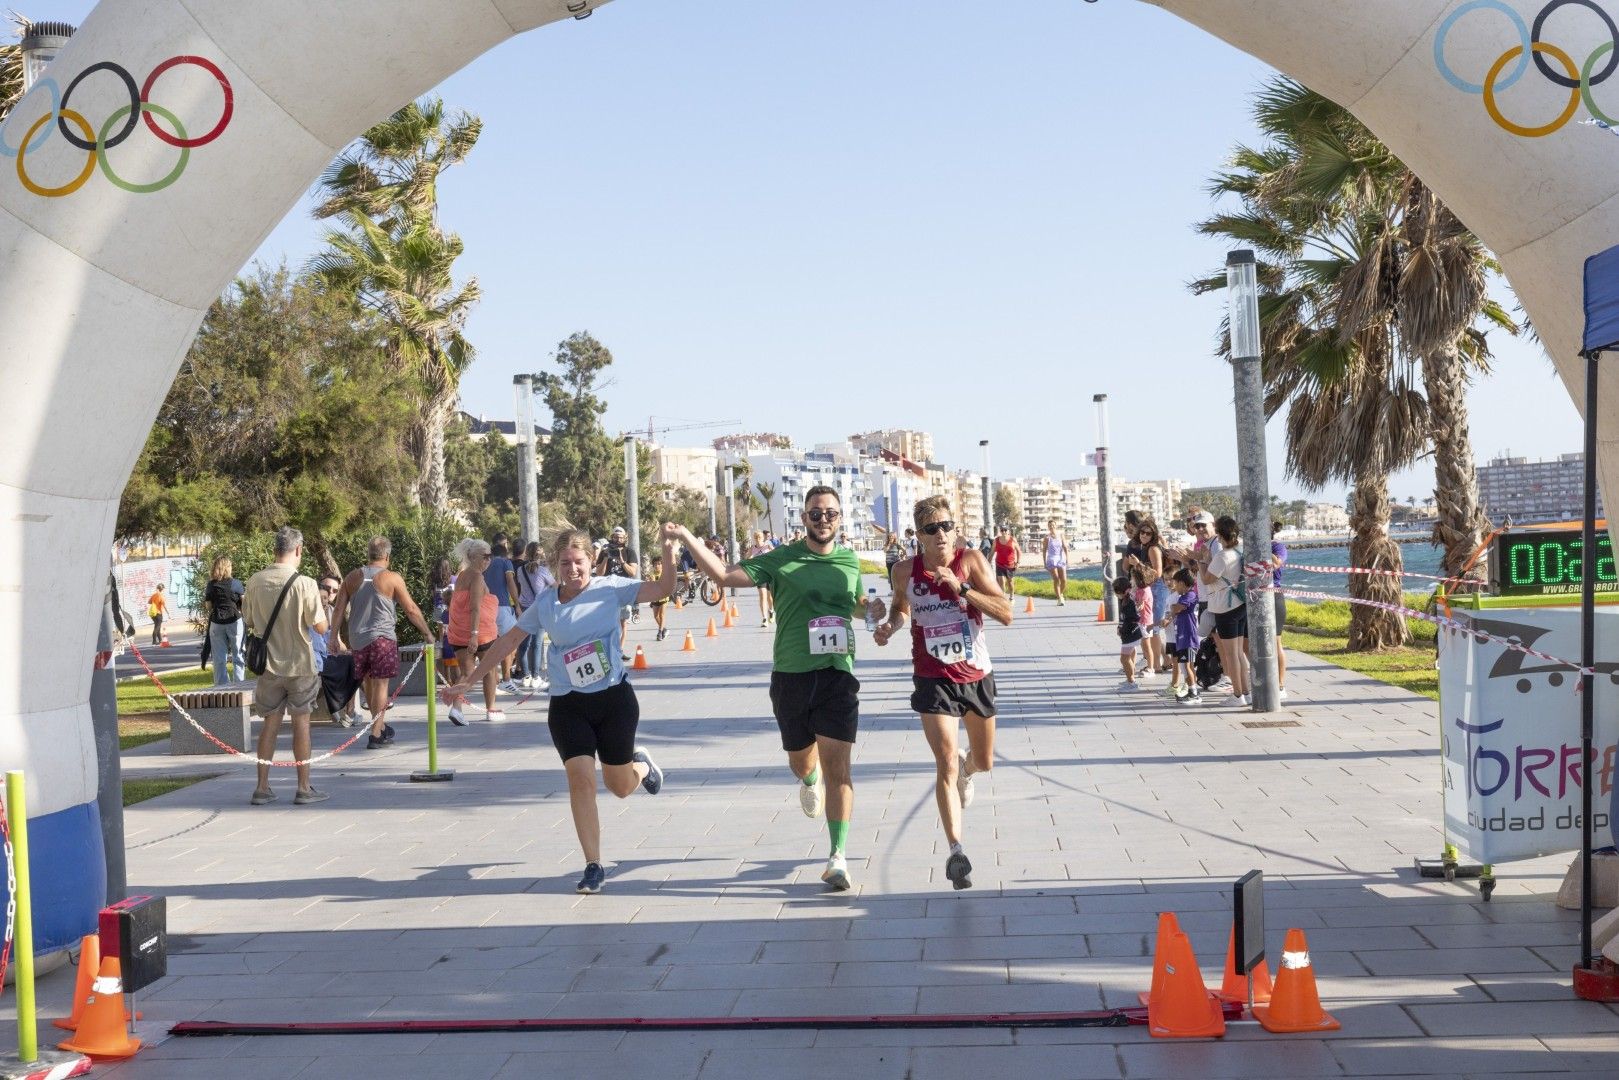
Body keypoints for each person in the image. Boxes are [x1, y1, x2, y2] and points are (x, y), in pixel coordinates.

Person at [443, 524, 678, 894]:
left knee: (619, 787)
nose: (573, 569)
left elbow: (664, 589)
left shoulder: (611, 590)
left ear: (592, 561)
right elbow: (510, 640)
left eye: (579, 561)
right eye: (565, 562)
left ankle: (641, 765)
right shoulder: (547, 602)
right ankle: (593, 865)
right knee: (580, 779)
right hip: (568, 705)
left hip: (614, 700)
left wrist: (668, 550)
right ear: (555, 565)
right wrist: (468, 682)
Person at [676, 486, 882, 891]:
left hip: (838, 674)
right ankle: (809, 780)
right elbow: (722, 576)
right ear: (804, 518)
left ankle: (837, 856)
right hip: (791, 675)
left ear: (841, 519)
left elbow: (854, 604)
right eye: (816, 514)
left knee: (840, 769)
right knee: (802, 764)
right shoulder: (780, 559)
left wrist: (869, 610)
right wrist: (688, 538)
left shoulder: (849, 560)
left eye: (831, 514)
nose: (824, 520)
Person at [873, 496, 1011, 890]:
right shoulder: (904, 571)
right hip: (932, 677)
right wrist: (889, 627)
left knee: (982, 761)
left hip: (976, 675)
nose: (942, 535)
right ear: (919, 536)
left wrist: (962, 589)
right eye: (932, 529)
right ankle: (956, 851)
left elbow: (1005, 612)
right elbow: (902, 608)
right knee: (946, 761)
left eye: (947, 526)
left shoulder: (971, 562)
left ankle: (971, 771)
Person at [243, 526, 329, 806]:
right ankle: (303, 786)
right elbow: (319, 625)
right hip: (300, 664)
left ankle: (262, 786)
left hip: (268, 664)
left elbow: (249, 621)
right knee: (301, 722)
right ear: (298, 550)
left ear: (274, 550)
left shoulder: (255, 581)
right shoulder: (305, 583)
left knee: (270, 723)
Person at [330, 536, 436, 750]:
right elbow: (411, 609)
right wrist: (427, 633)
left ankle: (378, 724)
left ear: (368, 554)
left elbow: (339, 609)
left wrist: (334, 637)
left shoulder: (352, 577)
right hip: (382, 638)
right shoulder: (392, 578)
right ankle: (376, 733)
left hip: (358, 639)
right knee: (381, 684)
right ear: (387, 556)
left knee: (369, 682)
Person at [446, 538, 501, 724]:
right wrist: (474, 635)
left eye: (490, 556)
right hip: (479, 633)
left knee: (466, 671)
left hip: (459, 632)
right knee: (489, 670)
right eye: (485, 556)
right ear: (473, 557)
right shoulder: (477, 576)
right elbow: (475, 607)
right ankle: (490, 709)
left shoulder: (462, 575)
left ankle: (457, 708)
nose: (488, 560)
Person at [1202, 515, 1251, 705]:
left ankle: (1237, 694)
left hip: (1224, 607)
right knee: (1239, 652)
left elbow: (1207, 579)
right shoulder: (1239, 550)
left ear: (1220, 535)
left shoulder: (1222, 556)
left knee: (1231, 654)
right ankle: (1245, 691)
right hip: (1239, 604)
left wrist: (1203, 561)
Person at [1127, 517, 1169, 677]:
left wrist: (1138, 564)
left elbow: (1157, 573)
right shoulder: (1147, 547)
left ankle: (1156, 665)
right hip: (1154, 588)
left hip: (1157, 589)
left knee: (1153, 629)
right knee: (1152, 628)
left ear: (1153, 535)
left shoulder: (1152, 549)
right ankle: (1163, 661)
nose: (1144, 535)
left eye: (1148, 533)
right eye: (1142, 532)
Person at [595, 526, 640, 659]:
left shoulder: (629, 552)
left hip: (624, 592)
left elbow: (632, 572)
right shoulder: (605, 552)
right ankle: (609, 650)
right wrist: (605, 558)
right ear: (612, 537)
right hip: (608, 592)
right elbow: (599, 573)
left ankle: (619, 651)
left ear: (625, 538)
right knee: (608, 623)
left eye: (621, 537)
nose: (618, 540)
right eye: (615, 537)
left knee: (623, 622)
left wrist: (622, 561)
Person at [515, 541, 554, 687]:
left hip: (525, 608)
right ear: (540, 554)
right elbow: (555, 586)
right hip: (538, 609)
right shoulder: (543, 571)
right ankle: (536, 676)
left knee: (524, 644)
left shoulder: (520, 570)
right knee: (537, 644)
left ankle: (526, 676)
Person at [486, 536, 521, 694]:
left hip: (486, 607)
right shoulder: (505, 562)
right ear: (505, 554)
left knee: (493, 644)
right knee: (512, 640)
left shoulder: (485, 565)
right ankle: (506, 679)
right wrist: (517, 604)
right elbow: (510, 582)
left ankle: (496, 680)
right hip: (502, 606)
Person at [203, 556, 246, 684]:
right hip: (234, 621)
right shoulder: (236, 583)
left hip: (217, 623)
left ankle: (221, 687)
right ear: (228, 568)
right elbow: (244, 602)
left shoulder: (211, 585)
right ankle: (239, 685)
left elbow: (208, 606)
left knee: (219, 658)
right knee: (238, 655)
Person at [1166, 567, 1201, 704]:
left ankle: (1194, 693)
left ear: (1182, 583)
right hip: (1181, 636)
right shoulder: (1182, 597)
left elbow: (1176, 608)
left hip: (1189, 637)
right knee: (1184, 666)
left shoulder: (1190, 595)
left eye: (1176, 583)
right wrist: (1174, 608)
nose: (1175, 587)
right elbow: (1174, 610)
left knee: (1187, 666)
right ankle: (1191, 691)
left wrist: (1174, 608)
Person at [1271, 520, 1290, 703]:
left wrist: (1263, 550)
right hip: (1255, 598)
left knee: (1276, 642)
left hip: (1274, 596)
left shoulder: (1278, 547)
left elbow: (1277, 564)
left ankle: (1280, 685)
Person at [1114, 576, 1142, 689]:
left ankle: (1131, 682)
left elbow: (1131, 618)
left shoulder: (1128, 602)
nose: (1116, 594)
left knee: (1124, 659)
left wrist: (1122, 630)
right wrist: (1120, 627)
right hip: (1132, 633)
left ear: (1124, 591)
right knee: (1130, 655)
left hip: (1130, 634)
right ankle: (1130, 678)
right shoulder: (1127, 599)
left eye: (1117, 592)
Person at [747, 531, 775, 627]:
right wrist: (749, 559)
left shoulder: (767, 546)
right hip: (759, 575)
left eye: (759, 537)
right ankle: (764, 619)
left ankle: (771, 611)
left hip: (769, 573)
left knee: (769, 596)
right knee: (762, 595)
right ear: (755, 538)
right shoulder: (753, 548)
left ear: (762, 538)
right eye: (756, 537)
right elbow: (747, 558)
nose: (758, 539)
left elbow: (776, 554)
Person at [1043, 519, 1068, 606]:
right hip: (1051, 559)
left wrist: (1067, 558)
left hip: (1061, 559)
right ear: (1048, 527)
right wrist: (1044, 562)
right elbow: (1044, 550)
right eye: (1050, 526)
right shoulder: (1047, 538)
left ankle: (1060, 594)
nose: (1052, 527)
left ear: (1055, 526)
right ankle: (1059, 599)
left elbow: (1065, 547)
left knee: (1064, 580)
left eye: (1053, 525)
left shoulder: (1061, 535)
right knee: (1056, 579)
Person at [647, 552, 672, 641]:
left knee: (662, 615)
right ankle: (664, 629)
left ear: (662, 565)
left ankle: (660, 632)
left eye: (659, 564)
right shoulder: (652, 573)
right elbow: (651, 585)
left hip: (664, 597)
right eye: (655, 564)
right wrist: (649, 581)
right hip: (655, 597)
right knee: (656, 616)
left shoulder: (664, 574)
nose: (657, 566)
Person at [993, 525, 1020, 598]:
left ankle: (1012, 596)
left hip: (1010, 565)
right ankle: (1003, 597)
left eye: (1005, 530)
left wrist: (1018, 562)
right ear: (1000, 531)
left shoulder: (1013, 540)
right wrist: (987, 562)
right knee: (1001, 581)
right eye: (1002, 530)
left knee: (1010, 582)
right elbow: (992, 552)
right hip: (999, 564)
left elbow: (1019, 551)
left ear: (1008, 531)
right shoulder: (996, 540)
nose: (1004, 532)